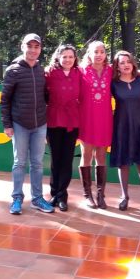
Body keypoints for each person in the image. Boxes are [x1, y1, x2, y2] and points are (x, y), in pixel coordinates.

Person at [0, 33, 55, 215]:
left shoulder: (41, 70)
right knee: (19, 163)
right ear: (22, 46)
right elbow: (5, 100)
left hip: (40, 124)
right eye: (29, 46)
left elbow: (46, 95)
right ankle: (16, 198)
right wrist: (7, 124)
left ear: (40, 49)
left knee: (38, 163)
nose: (33, 50)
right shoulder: (13, 70)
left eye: (36, 46)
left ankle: (37, 199)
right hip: (19, 124)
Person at [110, 51, 140, 211]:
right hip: (121, 126)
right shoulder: (113, 83)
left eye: (128, 61)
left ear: (133, 63)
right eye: (122, 62)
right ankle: (124, 196)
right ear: (117, 66)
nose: (126, 64)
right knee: (124, 162)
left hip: (139, 126)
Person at [45, 44, 81, 212]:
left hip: (72, 121)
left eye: (71, 57)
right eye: (64, 56)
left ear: (75, 59)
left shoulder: (79, 74)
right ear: (58, 57)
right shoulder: (49, 73)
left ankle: (62, 195)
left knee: (67, 159)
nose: (67, 60)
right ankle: (54, 194)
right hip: (53, 120)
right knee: (55, 159)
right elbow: (44, 95)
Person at [77, 40, 113, 209]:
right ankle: (87, 195)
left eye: (102, 51)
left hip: (105, 119)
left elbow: (130, 73)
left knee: (101, 156)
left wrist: (139, 72)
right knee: (86, 155)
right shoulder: (81, 71)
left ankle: (100, 195)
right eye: (95, 52)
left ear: (105, 54)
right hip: (86, 119)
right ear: (89, 54)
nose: (99, 55)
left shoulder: (111, 71)